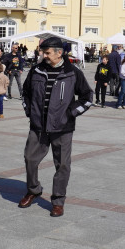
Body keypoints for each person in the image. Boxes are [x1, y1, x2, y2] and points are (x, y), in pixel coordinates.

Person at [18, 37, 94, 217]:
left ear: (59, 53)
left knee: (62, 165)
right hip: (38, 127)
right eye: (43, 52)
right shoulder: (36, 70)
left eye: (47, 53)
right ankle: (33, 190)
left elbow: (87, 97)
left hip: (62, 128)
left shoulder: (72, 72)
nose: (44, 56)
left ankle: (58, 201)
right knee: (30, 159)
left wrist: (70, 113)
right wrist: (29, 111)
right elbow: (25, 93)